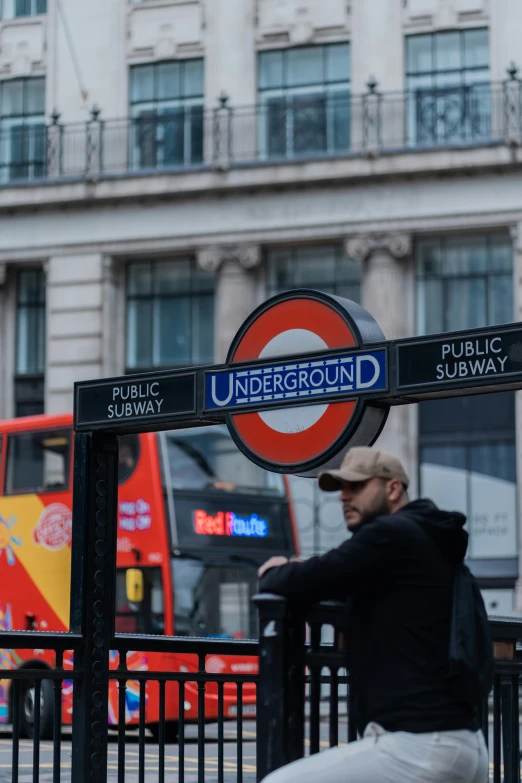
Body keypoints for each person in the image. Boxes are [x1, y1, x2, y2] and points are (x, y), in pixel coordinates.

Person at [258, 446, 489, 783]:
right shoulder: (429, 539)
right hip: (464, 743)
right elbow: (342, 576)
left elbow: (305, 579)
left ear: (393, 488)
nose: (343, 497)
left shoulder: (391, 535)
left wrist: (276, 570)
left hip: (419, 745)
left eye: (356, 486)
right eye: (341, 489)